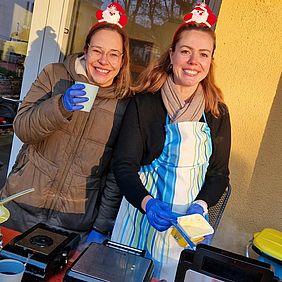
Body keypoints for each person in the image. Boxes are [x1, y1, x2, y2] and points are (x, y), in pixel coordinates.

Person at [111, 3, 231, 280]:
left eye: (203, 54)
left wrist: (200, 206)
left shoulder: (217, 113)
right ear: (172, 54)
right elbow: (124, 165)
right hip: (139, 218)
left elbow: (219, 174)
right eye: (186, 51)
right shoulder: (145, 103)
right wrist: (148, 203)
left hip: (185, 229)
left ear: (210, 62)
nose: (193, 62)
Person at [0, 3, 131, 241]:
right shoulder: (55, 75)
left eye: (114, 54)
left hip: (72, 223)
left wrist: (101, 227)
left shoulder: (125, 103)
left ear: (122, 60)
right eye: (97, 51)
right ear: (86, 50)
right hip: (20, 207)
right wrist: (61, 105)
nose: (104, 61)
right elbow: (22, 129)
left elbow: (115, 174)